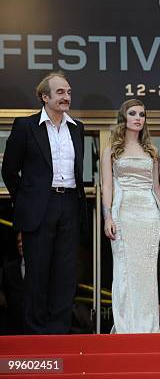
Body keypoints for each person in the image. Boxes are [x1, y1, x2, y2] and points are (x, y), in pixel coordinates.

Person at [2, 72, 86, 334]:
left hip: (70, 204)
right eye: (60, 92)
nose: (66, 97)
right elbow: (9, 170)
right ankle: (35, 333)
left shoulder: (77, 127)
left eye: (69, 92)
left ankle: (59, 330)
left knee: (65, 272)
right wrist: (26, 200)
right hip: (39, 207)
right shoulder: (25, 126)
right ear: (45, 96)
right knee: (37, 271)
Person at [101, 99, 160, 333]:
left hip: (149, 215)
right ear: (124, 117)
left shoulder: (152, 151)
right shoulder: (112, 150)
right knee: (125, 270)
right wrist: (108, 216)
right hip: (124, 213)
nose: (138, 118)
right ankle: (126, 327)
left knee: (147, 273)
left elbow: (156, 187)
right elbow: (107, 187)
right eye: (133, 113)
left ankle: (148, 327)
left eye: (142, 114)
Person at [2, 232, 25, 334]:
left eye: (23, 241)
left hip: (37, 328)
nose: (20, 244)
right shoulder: (8, 269)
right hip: (14, 327)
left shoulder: (41, 268)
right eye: (18, 241)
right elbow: (7, 293)